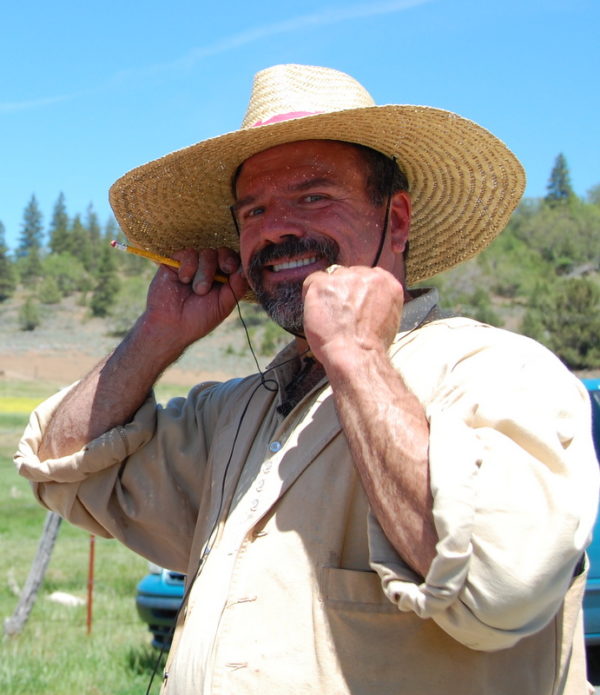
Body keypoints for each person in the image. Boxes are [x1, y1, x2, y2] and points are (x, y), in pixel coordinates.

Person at [15, 64, 599, 694]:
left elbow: (499, 585)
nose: (275, 228)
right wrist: (159, 332)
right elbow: (64, 466)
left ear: (396, 221)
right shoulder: (239, 414)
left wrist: (356, 355)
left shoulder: (499, 372)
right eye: (253, 211)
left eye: (313, 197)